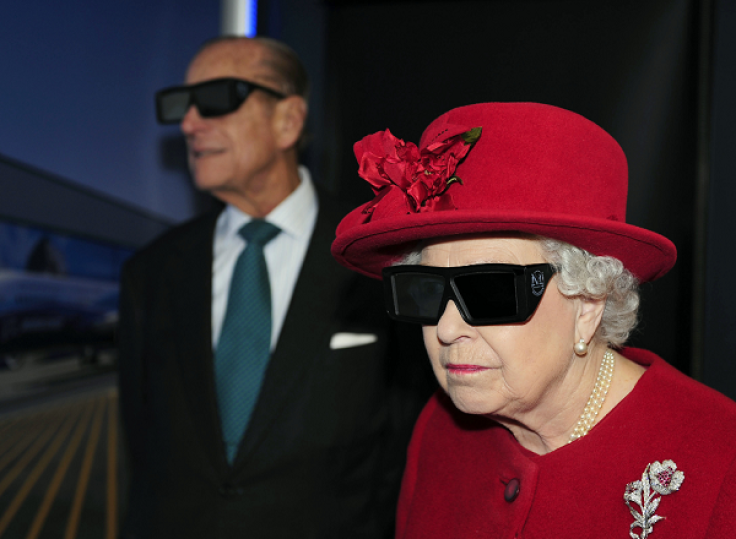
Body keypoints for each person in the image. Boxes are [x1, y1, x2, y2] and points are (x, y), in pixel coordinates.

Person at [331, 102, 736, 538]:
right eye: (426, 289)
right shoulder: (440, 427)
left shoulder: (721, 461)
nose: (446, 330)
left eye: (489, 292)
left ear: (588, 303)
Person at [118, 36, 432, 539]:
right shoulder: (151, 274)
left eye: (217, 98)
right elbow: (142, 449)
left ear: (288, 120)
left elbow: (405, 447)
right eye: (182, 105)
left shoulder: (376, 257)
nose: (189, 124)